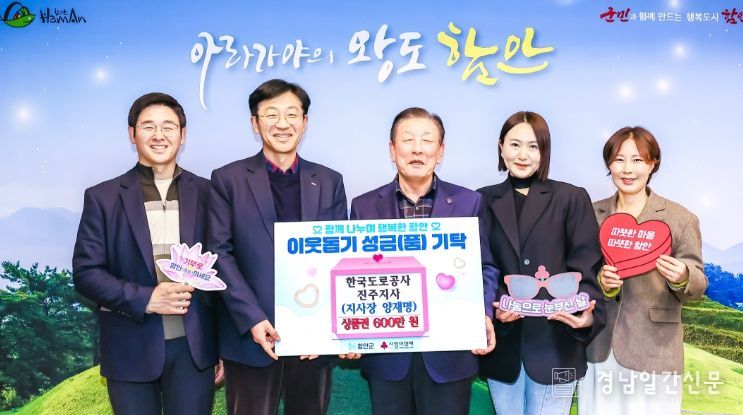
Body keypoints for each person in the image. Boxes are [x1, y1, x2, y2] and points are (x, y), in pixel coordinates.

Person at [72, 92, 218, 415]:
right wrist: (147, 298)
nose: (158, 135)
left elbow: (225, 267)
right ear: (132, 133)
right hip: (129, 348)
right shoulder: (103, 197)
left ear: (183, 134)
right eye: (148, 126)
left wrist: (223, 345)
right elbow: (86, 273)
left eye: (168, 126)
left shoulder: (209, 193)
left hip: (195, 349)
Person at [209, 79, 347, 415]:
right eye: (271, 114)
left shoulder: (329, 181)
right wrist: (253, 318)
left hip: (313, 341)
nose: (282, 124)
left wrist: (324, 326)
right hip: (250, 337)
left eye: (291, 114)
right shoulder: (228, 179)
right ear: (255, 123)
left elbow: (339, 257)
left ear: (305, 122)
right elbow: (219, 253)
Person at [348, 107, 498, 415]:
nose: (417, 149)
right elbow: (353, 275)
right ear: (392, 149)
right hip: (387, 359)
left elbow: (485, 267)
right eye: (408, 140)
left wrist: (482, 314)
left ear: (440, 151)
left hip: (450, 356)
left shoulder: (469, 202)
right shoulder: (364, 206)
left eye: (427, 140)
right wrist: (348, 332)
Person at [478, 111, 606, 415]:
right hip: (504, 348)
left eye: (533, 146)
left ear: (545, 151)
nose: (523, 155)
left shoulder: (571, 198)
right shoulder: (480, 200)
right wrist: (494, 309)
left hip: (559, 346)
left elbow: (587, 268)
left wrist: (586, 317)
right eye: (515, 145)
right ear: (501, 147)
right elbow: (480, 267)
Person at [578, 126, 707, 414]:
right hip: (599, 348)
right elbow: (579, 273)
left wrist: (683, 276)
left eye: (637, 160)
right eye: (619, 159)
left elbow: (698, 281)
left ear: (653, 164)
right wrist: (602, 283)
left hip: (655, 350)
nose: (627, 169)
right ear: (609, 163)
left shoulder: (680, 218)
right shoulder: (590, 213)